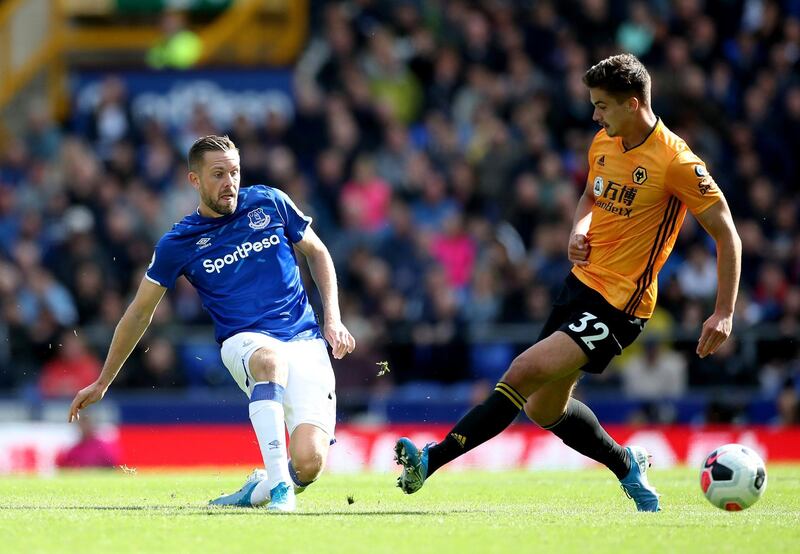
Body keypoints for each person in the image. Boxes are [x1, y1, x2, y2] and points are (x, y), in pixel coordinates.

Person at [394, 53, 741, 512]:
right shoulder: (602, 143)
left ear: (633, 104)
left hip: (620, 304)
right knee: (542, 408)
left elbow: (727, 234)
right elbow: (589, 197)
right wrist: (578, 230)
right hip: (579, 285)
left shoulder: (676, 161)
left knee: (520, 373)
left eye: (602, 105)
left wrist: (724, 312)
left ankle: (429, 460)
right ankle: (626, 465)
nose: (595, 115)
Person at [68, 135, 355, 512]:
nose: (229, 182)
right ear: (194, 180)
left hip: (305, 339)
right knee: (270, 361)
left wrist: (332, 318)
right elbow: (139, 312)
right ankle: (281, 491)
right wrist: (104, 379)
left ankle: (260, 489)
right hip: (245, 342)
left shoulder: (270, 202)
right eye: (218, 174)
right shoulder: (180, 242)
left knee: (310, 462)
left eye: (234, 172)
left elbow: (317, 252)